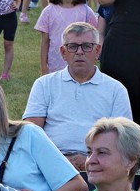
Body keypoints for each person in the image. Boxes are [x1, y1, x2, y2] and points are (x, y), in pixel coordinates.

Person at [25, 22, 131, 171]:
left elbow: (122, 139)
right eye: (73, 47)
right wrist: (58, 159)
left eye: (87, 46)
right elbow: (31, 131)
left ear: (97, 50)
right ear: (63, 52)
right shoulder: (44, 84)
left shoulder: (116, 89)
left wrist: (91, 158)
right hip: (50, 162)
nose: (79, 52)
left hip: (100, 165)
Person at [35, 0, 97, 74]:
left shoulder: (87, 12)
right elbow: (45, 42)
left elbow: (93, 41)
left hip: (80, 67)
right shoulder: (48, 11)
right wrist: (44, 67)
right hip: (55, 67)